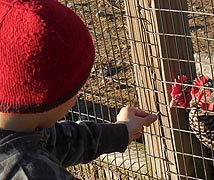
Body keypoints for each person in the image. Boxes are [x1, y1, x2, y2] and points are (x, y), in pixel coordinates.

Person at [0, 0, 158, 179]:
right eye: (78, 86)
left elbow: (61, 141)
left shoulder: (18, 130)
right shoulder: (31, 174)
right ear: (54, 95)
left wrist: (122, 132)